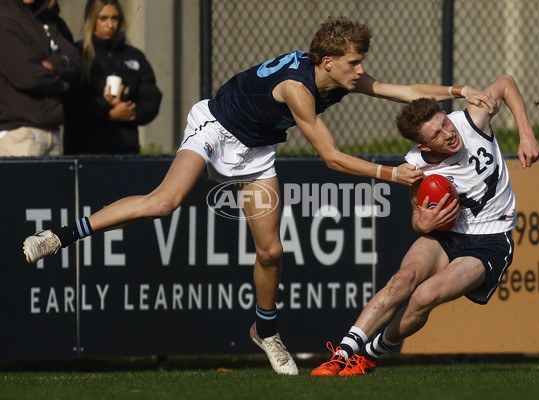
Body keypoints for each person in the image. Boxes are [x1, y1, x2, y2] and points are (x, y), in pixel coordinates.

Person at [23, 17, 496, 375]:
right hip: (215, 128)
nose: (362, 70)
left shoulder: (338, 77)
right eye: (355, 62)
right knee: (163, 203)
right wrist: (393, 175)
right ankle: (62, 235)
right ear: (328, 62)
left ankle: (265, 331)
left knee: (271, 251)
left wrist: (459, 89)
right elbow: (331, 158)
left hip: (255, 153)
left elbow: (407, 90)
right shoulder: (299, 88)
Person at [311, 74, 539, 376]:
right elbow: (416, 219)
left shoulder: (472, 120)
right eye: (437, 134)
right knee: (402, 280)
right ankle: (342, 354)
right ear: (423, 146)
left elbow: (507, 83)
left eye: (445, 122)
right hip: (446, 235)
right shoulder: (415, 166)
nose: (449, 133)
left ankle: (370, 353)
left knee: (425, 296)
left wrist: (526, 134)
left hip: (490, 239)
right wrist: (424, 222)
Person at [63, 0, 162, 155]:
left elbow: (152, 99)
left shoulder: (134, 56)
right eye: (103, 18)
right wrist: (108, 114)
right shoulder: (77, 54)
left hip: (125, 150)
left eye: (115, 18)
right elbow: (69, 105)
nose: (110, 25)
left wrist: (129, 110)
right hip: (84, 151)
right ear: (92, 19)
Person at [0, 0, 81, 156]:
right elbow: (27, 76)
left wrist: (53, 65)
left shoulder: (43, 18)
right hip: (18, 132)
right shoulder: (4, 18)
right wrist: (62, 83)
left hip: (52, 131)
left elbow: (75, 60)